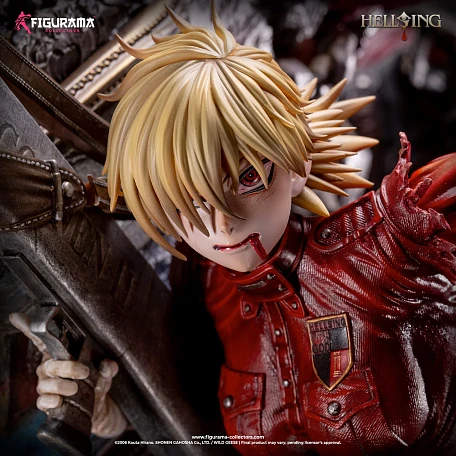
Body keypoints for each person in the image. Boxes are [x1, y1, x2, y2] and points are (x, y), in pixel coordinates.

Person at [13, 3, 456, 455]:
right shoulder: (205, 286)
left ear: (298, 161)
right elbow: (201, 423)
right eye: (185, 201)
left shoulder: (390, 242)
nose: (220, 222)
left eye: (248, 178)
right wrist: (118, 418)